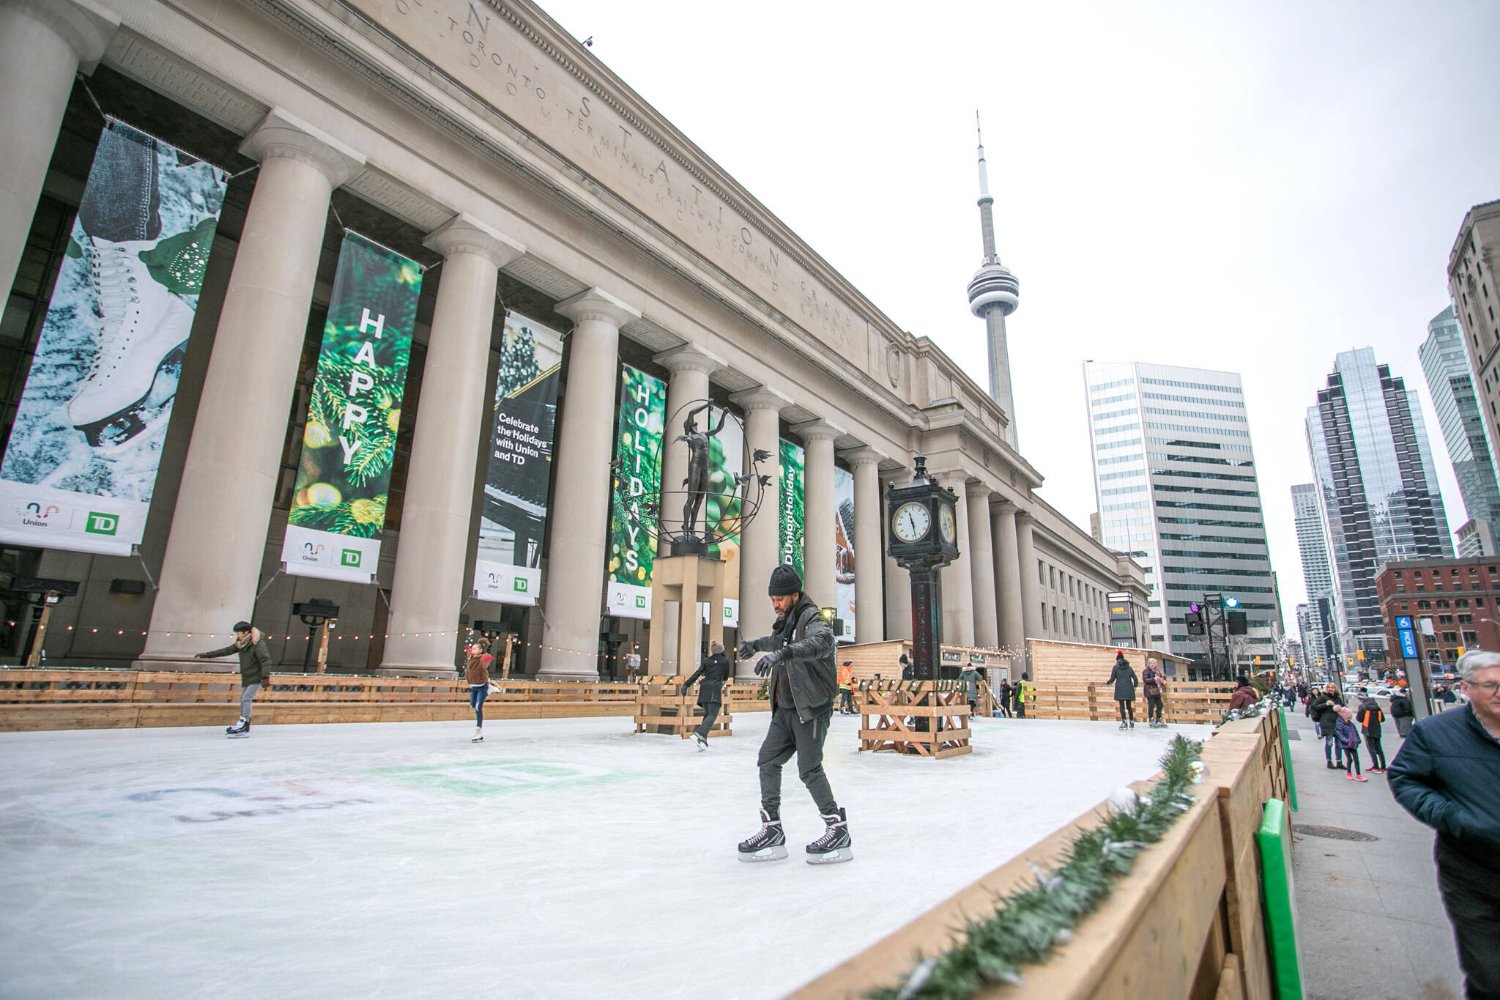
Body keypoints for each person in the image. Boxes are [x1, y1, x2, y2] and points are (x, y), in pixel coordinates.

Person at [1389, 650, 1500, 999]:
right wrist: (1451, 816)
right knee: (1489, 974)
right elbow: (1404, 778)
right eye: (1491, 686)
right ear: (1466, 689)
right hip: (1473, 874)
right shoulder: (1435, 733)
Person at [735, 565, 850, 865]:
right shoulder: (787, 622)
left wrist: (781, 655)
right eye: (772, 598)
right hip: (786, 710)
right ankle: (771, 828)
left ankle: (837, 828)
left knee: (809, 769)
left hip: (811, 709)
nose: (775, 604)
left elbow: (820, 643)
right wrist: (756, 647)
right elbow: (777, 642)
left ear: (795, 595)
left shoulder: (811, 618)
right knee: (767, 761)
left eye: (780, 598)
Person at [194, 620, 272, 738]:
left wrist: (265, 676)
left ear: (246, 632)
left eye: (239, 633)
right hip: (247, 675)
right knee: (244, 698)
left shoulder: (257, 643)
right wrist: (208, 654)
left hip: (257, 676)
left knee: (246, 698)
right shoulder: (241, 643)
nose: (237, 635)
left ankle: (244, 724)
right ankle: (242, 722)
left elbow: (265, 659)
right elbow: (226, 650)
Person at [682, 640, 732, 750]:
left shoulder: (707, 661)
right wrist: (721, 679)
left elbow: (697, 673)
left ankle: (702, 740)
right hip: (714, 690)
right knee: (713, 715)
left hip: (704, 689)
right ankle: (699, 733)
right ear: (722, 650)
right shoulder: (725, 661)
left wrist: (686, 685)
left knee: (708, 714)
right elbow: (726, 677)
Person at [1309, 682, 1345, 769]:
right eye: (1329, 687)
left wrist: (1340, 709)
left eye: (1332, 687)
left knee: (1339, 743)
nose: (1331, 689)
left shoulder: (1338, 698)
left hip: (1337, 722)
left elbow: (1343, 708)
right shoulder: (1323, 697)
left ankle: (1339, 762)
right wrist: (1326, 704)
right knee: (1329, 742)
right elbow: (1314, 706)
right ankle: (1329, 761)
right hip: (1327, 722)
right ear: (1326, 689)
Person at [464, 639, 492, 743]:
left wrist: (484, 659)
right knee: (472, 705)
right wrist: (469, 650)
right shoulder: (471, 657)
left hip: (482, 685)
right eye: (472, 648)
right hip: (474, 685)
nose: (472, 650)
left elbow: (483, 665)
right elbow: (469, 656)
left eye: (475, 648)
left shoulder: (484, 657)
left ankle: (478, 731)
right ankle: (489, 689)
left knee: (477, 707)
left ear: (480, 650)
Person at [1356, 687, 1388, 773]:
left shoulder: (1363, 706)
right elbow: (1382, 719)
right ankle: (1383, 767)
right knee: (1379, 748)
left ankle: (1375, 766)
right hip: (1377, 728)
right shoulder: (1376, 705)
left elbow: (1359, 719)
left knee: (1371, 748)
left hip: (1367, 729)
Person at [1334, 704, 1367, 782]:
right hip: (1347, 744)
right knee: (1350, 759)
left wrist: (1358, 740)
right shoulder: (1339, 723)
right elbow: (1339, 733)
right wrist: (1346, 741)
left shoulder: (1351, 724)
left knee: (1356, 759)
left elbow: (1355, 733)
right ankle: (1349, 772)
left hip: (1353, 743)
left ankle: (1358, 775)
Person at [1107, 651, 1138, 729]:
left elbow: (1112, 679)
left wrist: (1107, 683)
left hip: (1120, 688)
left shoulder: (1116, 667)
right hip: (1129, 688)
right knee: (1129, 706)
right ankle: (1131, 721)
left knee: (1122, 706)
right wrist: (1135, 687)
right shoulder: (1130, 668)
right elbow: (1135, 679)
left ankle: (1124, 722)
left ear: (1117, 660)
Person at [1141, 657, 1167, 728]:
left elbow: (1160, 678)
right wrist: (1153, 679)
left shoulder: (1157, 671)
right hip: (1149, 690)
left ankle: (1158, 719)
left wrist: (1162, 681)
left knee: (1160, 705)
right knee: (1151, 705)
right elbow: (1145, 680)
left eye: (1154, 663)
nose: (1153, 664)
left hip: (1156, 690)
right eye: (1152, 663)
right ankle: (1151, 719)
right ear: (1148, 664)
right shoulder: (1146, 671)